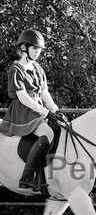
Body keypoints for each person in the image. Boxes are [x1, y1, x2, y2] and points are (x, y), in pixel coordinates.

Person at [0, 29, 65, 190]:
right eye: (34, 48)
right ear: (24, 48)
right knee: (48, 134)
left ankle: (49, 175)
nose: (37, 52)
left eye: (39, 49)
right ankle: (27, 177)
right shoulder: (16, 69)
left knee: (60, 131)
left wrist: (55, 110)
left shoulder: (38, 69)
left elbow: (44, 93)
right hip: (23, 112)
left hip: (37, 111)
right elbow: (23, 98)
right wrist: (46, 113)